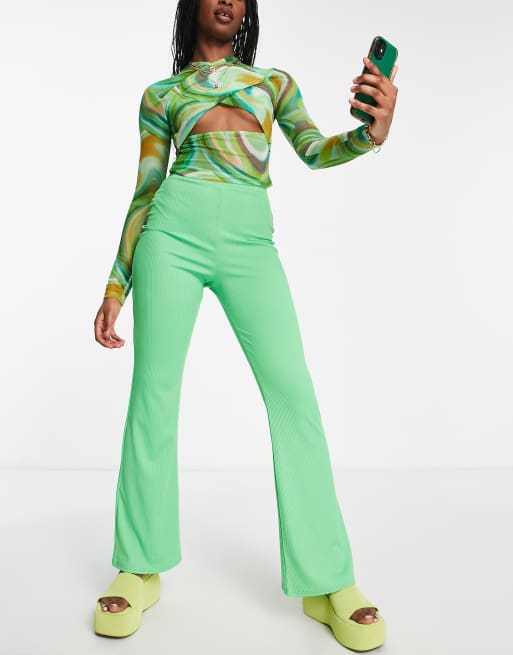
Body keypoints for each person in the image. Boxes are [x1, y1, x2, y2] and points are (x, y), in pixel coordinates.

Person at [92, 0, 398, 648]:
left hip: (250, 243)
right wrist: (116, 283)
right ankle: (139, 565)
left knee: (293, 395)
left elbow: (315, 150)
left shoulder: (272, 83)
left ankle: (327, 578)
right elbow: (146, 188)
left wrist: (369, 135)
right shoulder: (161, 94)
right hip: (170, 234)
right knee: (153, 394)